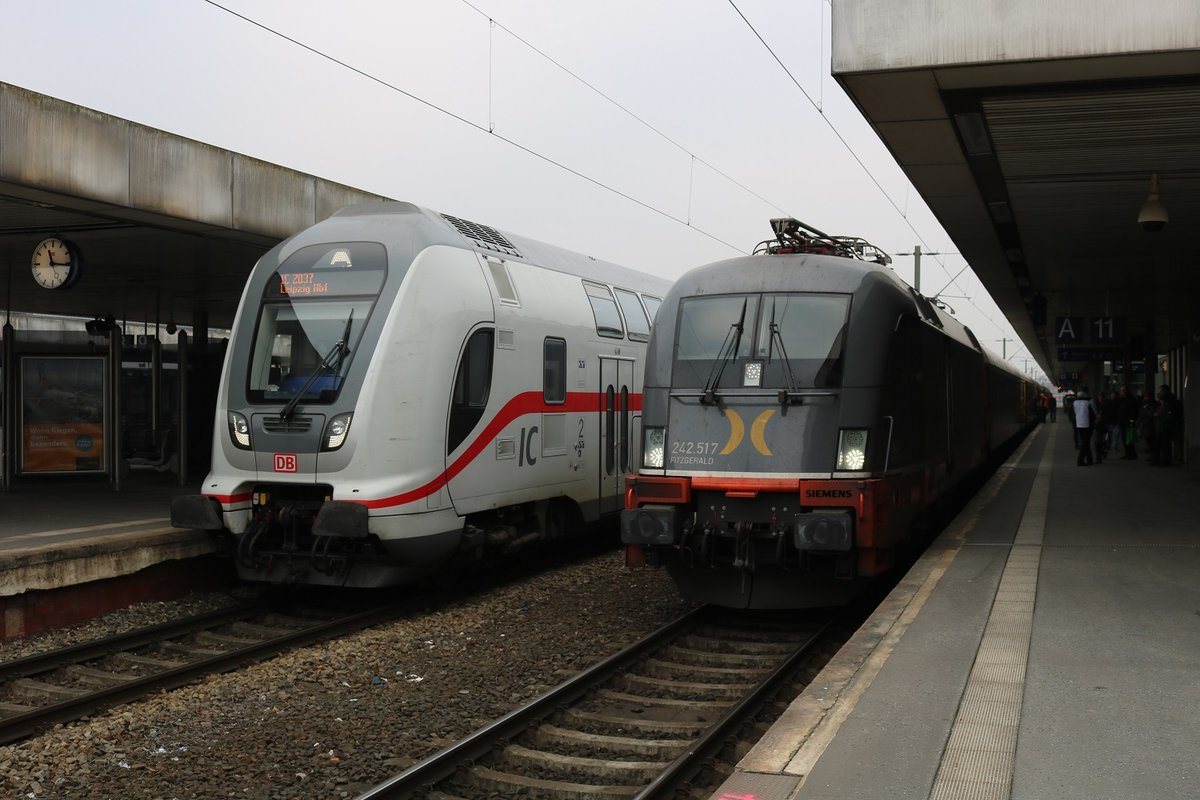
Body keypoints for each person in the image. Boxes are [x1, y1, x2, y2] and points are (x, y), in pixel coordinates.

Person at [1152, 384, 1181, 466]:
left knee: (1165, 445)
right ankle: (1157, 460)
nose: (1159, 393)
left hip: (1166, 427)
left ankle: (1166, 461)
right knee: (1158, 445)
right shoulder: (1163, 402)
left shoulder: (1170, 402)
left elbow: (1169, 416)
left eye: (1161, 391)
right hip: (1161, 426)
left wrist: (1159, 416)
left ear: (1165, 391)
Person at [1073, 386, 1098, 466]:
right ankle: (1080, 460)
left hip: (1079, 424)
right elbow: (1094, 412)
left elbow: (1074, 413)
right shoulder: (1090, 401)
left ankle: (1089, 459)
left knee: (1085, 442)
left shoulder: (1075, 402)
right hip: (1088, 424)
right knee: (1085, 443)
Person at [1119, 386, 1140, 459]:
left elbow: (1133, 412)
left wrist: (1131, 421)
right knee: (1125, 439)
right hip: (1123, 422)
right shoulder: (1122, 400)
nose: (1122, 392)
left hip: (1128, 423)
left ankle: (1131, 454)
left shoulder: (1130, 400)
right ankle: (1128, 454)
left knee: (1129, 439)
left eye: (1123, 390)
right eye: (1121, 390)